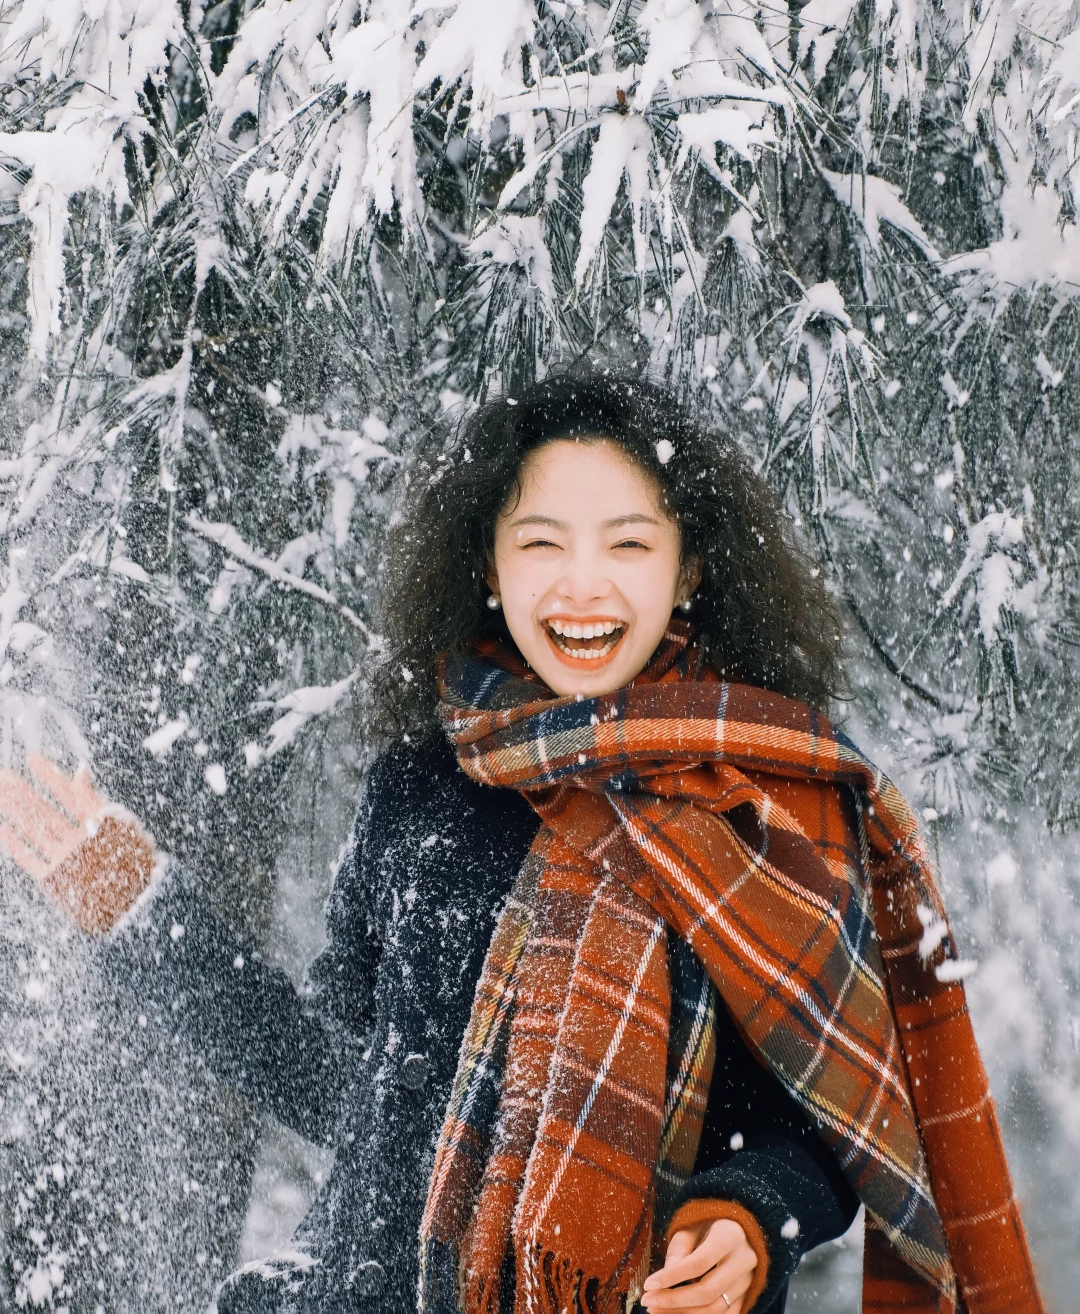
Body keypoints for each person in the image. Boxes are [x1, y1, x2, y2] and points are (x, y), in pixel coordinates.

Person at [0, 371, 1043, 1314]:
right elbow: (339, 1088)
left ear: (686, 573)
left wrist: (744, 1219)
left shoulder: (765, 808)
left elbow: (828, 1125)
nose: (582, 584)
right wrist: (145, 915)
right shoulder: (422, 784)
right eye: (541, 541)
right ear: (491, 566)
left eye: (627, 544)